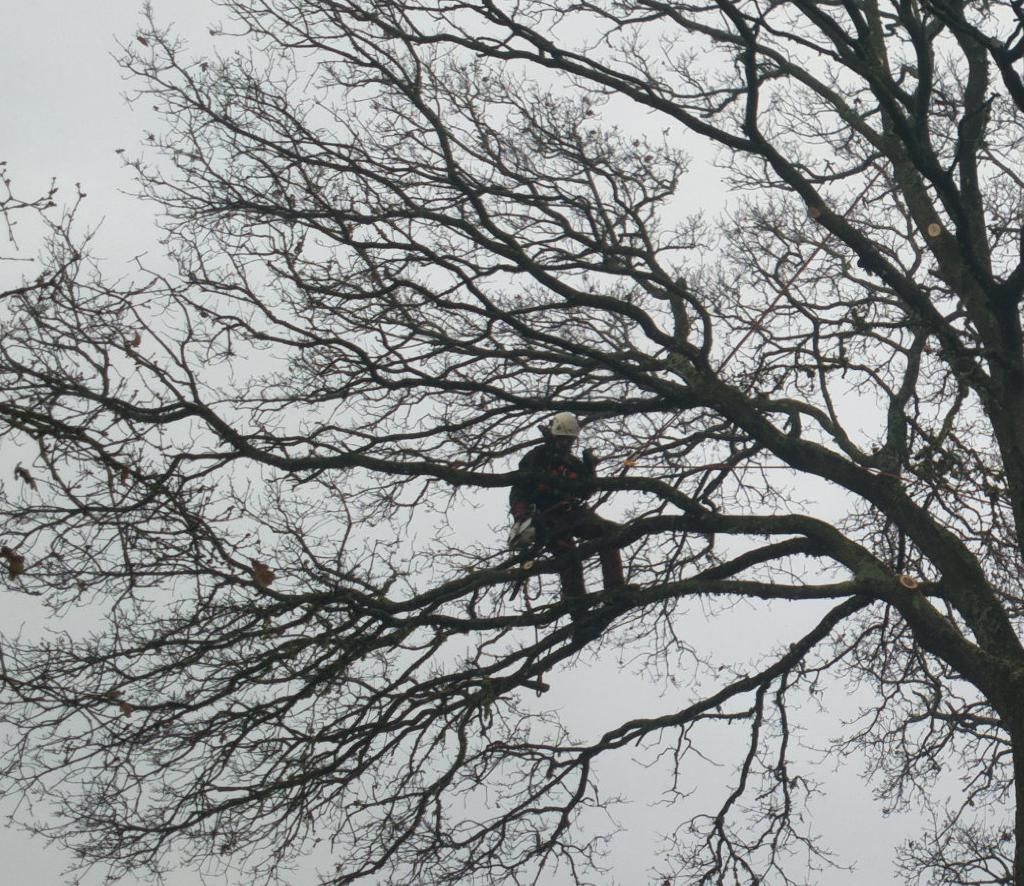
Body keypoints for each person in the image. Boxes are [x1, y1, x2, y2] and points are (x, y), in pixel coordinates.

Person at [508, 412, 625, 638]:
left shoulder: (573, 463)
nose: (565, 444)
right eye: (562, 439)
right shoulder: (537, 457)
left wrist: (591, 469)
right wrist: (521, 516)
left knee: (609, 533)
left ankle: (615, 590)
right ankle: (580, 618)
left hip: (572, 512)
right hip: (546, 518)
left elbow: (586, 491)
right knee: (569, 559)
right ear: (554, 436)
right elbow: (519, 490)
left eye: (569, 441)